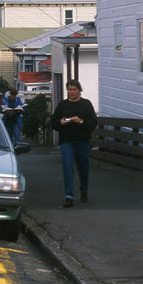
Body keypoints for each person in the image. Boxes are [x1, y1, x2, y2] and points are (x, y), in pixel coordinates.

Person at [49, 79, 97, 208]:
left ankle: (83, 190)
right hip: (67, 141)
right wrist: (61, 122)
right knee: (68, 167)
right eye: (69, 89)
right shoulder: (62, 105)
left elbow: (93, 123)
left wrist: (80, 121)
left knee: (83, 167)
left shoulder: (86, 104)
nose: (72, 92)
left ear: (79, 91)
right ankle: (68, 196)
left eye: (74, 89)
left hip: (82, 140)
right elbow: (53, 122)